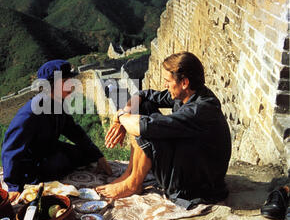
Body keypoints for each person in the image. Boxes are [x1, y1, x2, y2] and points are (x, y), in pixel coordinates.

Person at [96, 52, 232, 209]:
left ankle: (133, 184)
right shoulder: (189, 94)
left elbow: (144, 126)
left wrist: (120, 117)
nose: (165, 85)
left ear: (184, 82)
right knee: (142, 106)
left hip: (197, 186)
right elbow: (144, 95)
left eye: (168, 81)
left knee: (147, 129)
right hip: (191, 159)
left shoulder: (200, 109)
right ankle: (130, 174)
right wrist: (125, 112)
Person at [2, 59, 112, 202]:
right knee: (58, 164)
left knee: (84, 154)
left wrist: (98, 156)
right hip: (33, 162)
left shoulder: (58, 104)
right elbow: (10, 149)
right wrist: (13, 186)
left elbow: (74, 131)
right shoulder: (29, 114)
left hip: (50, 148)